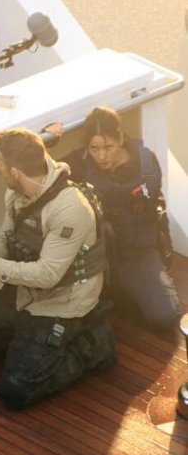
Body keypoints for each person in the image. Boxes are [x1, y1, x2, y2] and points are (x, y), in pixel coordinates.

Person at [0, 127, 117, 410]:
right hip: (25, 290)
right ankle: (27, 338)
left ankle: (94, 343)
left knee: (16, 391)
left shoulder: (70, 209)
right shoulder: (16, 194)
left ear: (15, 172)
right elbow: (6, 241)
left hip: (62, 301)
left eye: (0, 163)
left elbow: (48, 275)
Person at [56, 106, 180, 334]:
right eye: (94, 148)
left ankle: (129, 289)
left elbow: (157, 208)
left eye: (108, 147)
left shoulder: (147, 163)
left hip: (137, 254)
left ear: (121, 139)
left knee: (165, 317)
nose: (101, 156)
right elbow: (41, 172)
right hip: (97, 258)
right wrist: (50, 139)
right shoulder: (79, 164)